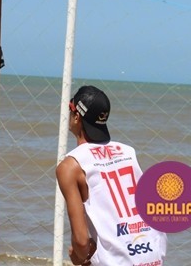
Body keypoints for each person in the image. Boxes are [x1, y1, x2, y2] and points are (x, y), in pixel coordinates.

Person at [56, 85, 167, 266]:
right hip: (152, 251)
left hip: (118, 260)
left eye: (70, 108)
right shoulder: (128, 152)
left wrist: (80, 256)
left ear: (76, 117)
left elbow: (81, 242)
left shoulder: (70, 166)